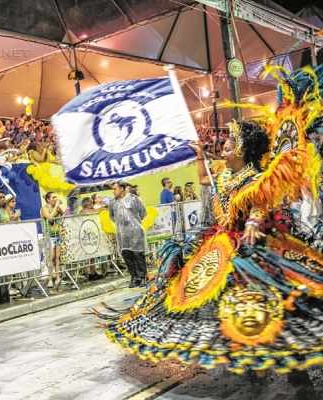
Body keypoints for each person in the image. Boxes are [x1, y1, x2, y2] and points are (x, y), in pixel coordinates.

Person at [103, 116, 323, 397]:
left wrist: (254, 222)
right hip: (220, 247)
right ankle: (252, 366)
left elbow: (262, 202)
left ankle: (297, 375)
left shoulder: (256, 179)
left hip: (252, 251)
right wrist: (198, 156)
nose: (224, 147)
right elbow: (206, 179)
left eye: (230, 144)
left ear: (242, 149)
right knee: (220, 309)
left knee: (273, 311)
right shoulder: (225, 175)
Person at [109, 181, 147, 288]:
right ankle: (134, 277)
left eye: (115, 189)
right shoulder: (113, 203)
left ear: (122, 189)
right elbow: (111, 216)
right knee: (127, 255)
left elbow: (143, 213)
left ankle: (142, 276)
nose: (113, 191)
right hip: (122, 234)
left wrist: (134, 223)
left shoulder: (134, 199)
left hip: (135, 231)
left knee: (138, 254)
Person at [40, 192, 64, 290]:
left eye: (56, 197)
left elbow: (62, 215)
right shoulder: (44, 208)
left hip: (57, 234)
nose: (55, 199)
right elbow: (50, 218)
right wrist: (56, 207)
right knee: (51, 257)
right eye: (53, 197)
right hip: (49, 236)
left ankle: (58, 277)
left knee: (57, 258)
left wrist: (59, 209)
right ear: (48, 200)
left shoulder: (56, 208)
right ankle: (49, 278)